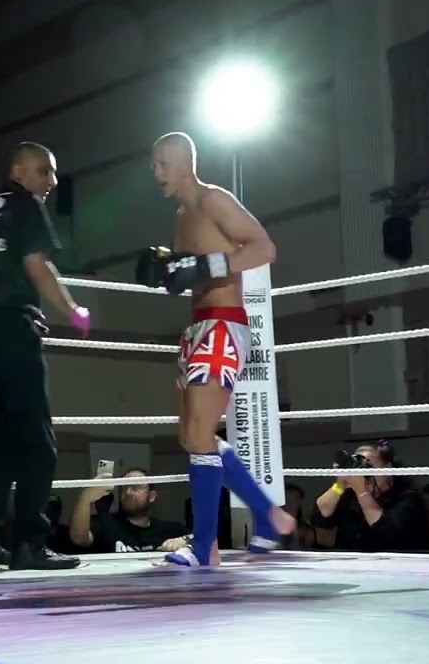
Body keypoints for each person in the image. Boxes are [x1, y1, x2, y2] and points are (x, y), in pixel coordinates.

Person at [135, 132, 295, 567]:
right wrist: (172, 272)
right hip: (198, 327)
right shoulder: (180, 218)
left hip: (225, 324)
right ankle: (267, 517)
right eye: (153, 165)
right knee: (192, 437)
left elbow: (264, 247)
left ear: (186, 163)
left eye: (163, 164)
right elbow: (194, 277)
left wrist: (208, 264)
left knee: (200, 434)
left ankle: (206, 546)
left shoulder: (213, 200)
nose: (157, 173)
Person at [0, 141, 87, 570]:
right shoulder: (26, 204)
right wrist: (72, 310)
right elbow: (36, 266)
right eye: (45, 170)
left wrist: (18, 305)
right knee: (36, 440)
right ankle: (31, 542)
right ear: (18, 170)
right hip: (10, 330)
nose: (51, 181)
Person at [310, 441, 429, 551]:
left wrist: (362, 492)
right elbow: (320, 517)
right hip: (354, 562)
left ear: (388, 468)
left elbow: (388, 532)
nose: (364, 473)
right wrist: (339, 485)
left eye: (368, 467)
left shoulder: (409, 498)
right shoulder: (350, 494)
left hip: (398, 562)